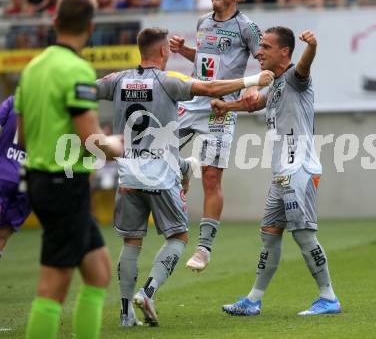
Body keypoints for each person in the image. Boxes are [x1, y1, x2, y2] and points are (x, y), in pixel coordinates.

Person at [96, 27, 273, 327]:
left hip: (128, 176)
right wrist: (253, 80)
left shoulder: (117, 80)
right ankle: (148, 292)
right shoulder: (168, 82)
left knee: (131, 243)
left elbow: (82, 90)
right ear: (164, 51)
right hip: (160, 177)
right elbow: (212, 89)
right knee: (178, 237)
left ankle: (125, 315)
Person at [14, 0, 123, 339]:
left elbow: (23, 133)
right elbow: (90, 137)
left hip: (42, 180)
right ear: (90, 28)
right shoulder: (76, 70)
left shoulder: (32, 68)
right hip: (65, 184)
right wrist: (119, 146)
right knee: (53, 286)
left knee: (99, 273)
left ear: (55, 21)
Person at [211, 27, 342, 316]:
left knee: (304, 235)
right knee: (270, 234)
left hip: (299, 171)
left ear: (285, 52)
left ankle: (328, 297)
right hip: (282, 173)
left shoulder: (295, 78)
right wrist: (227, 106)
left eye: (266, 47)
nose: (259, 52)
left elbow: (305, 67)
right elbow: (255, 102)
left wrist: (312, 46)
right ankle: (253, 300)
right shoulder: (278, 84)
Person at [170, 0, 262, 272]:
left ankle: (204, 249)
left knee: (211, 177)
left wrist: (252, 87)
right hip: (193, 100)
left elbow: (265, 63)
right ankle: (183, 167)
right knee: (158, 148)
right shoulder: (203, 22)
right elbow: (206, 58)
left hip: (220, 108)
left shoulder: (247, 28)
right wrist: (184, 50)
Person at [0, 96, 30, 260]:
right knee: (3, 235)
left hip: (2, 174)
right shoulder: (55, 107)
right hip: (28, 181)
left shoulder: (14, 101)